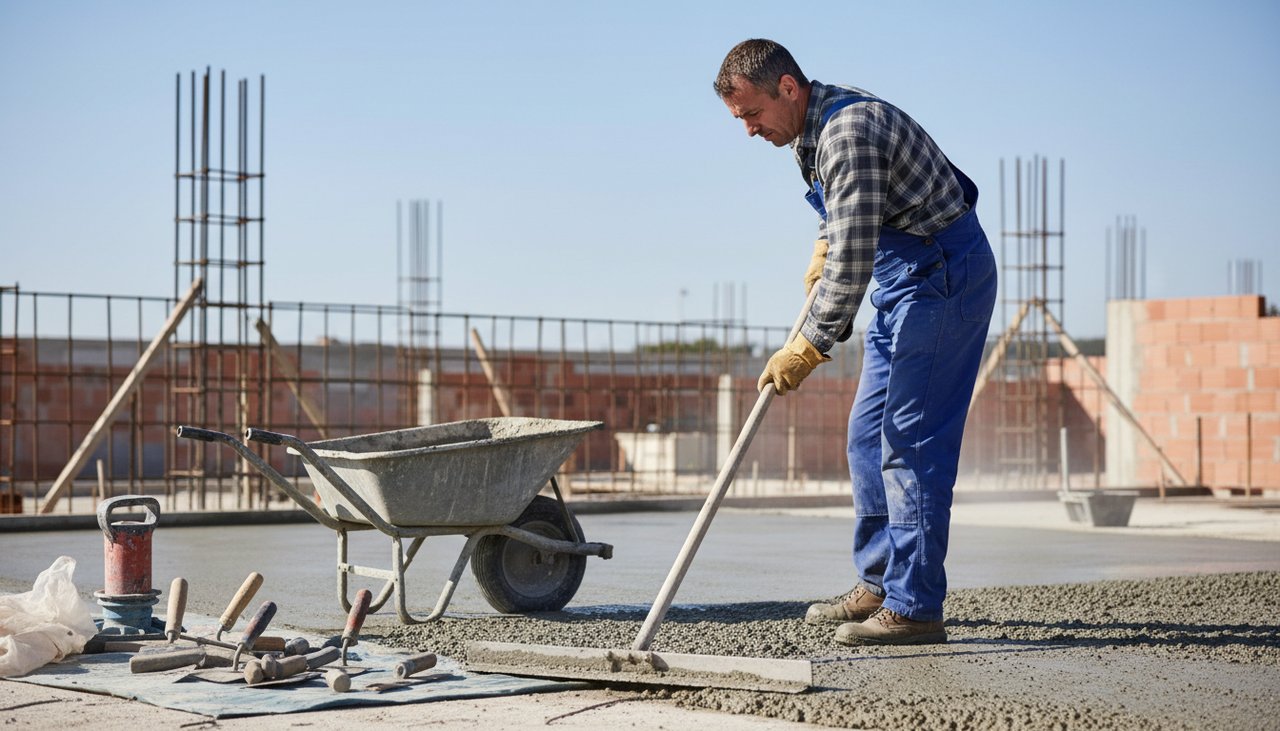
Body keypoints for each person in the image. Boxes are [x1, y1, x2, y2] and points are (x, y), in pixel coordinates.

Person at [714, 39, 996, 646]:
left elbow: (854, 262)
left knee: (911, 443)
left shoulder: (847, 131)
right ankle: (879, 581)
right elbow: (840, 219)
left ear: (788, 88)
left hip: (942, 276)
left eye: (752, 114)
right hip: (902, 283)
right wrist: (824, 247)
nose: (749, 130)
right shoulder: (807, 134)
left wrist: (808, 347)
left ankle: (915, 607)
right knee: (867, 436)